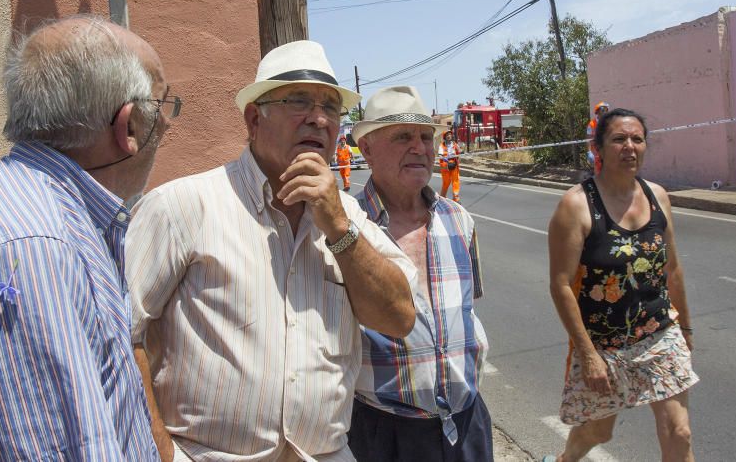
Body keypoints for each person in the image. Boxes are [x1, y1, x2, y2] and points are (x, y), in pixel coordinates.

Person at [0, 15, 176, 461]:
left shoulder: (49, 218)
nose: (168, 125)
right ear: (129, 128)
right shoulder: (32, 248)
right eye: (162, 106)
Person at [125, 40, 416, 462]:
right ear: (253, 119)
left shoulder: (346, 215)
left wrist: (339, 229)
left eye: (331, 108)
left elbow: (399, 317)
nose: (318, 119)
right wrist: (160, 452)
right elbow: (119, 333)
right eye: (298, 100)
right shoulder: (184, 206)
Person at [543, 108, 698, 462]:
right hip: (604, 345)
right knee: (600, 430)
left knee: (680, 432)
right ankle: (565, 459)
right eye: (618, 139)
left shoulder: (657, 195)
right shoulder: (577, 205)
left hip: (660, 333)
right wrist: (588, 354)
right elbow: (561, 284)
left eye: (637, 139)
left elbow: (672, 268)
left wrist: (685, 326)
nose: (629, 147)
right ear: (598, 147)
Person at [350, 86, 492, 462]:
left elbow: (466, 313)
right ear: (365, 149)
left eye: (426, 137)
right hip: (384, 433)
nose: (420, 147)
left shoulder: (459, 219)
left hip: (468, 424)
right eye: (402, 136)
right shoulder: (347, 227)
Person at [585, 102, 610, 174]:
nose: (605, 112)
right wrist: (589, 152)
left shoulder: (608, 122)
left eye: (606, 110)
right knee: (598, 171)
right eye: (603, 110)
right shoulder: (592, 124)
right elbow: (588, 139)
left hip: (607, 149)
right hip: (596, 151)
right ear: (598, 112)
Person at [438, 129, 462, 202]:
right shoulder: (442, 145)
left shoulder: (454, 144)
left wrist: (460, 151)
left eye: (450, 135)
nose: (449, 136)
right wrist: (446, 160)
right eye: (447, 135)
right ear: (445, 137)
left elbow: (459, 151)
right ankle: (442, 197)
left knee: (455, 181)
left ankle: (456, 197)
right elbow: (440, 155)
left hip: (454, 164)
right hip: (445, 166)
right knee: (446, 182)